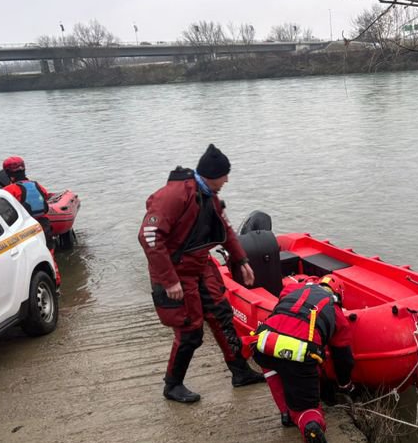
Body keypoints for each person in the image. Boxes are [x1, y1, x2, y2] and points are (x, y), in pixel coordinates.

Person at [138, 143, 264, 404]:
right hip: (175, 271)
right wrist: (169, 280)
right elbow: (149, 236)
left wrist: (242, 261)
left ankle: (240, 372)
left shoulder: (211, 197)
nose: (227, 180)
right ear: (211, 174)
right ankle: (172, 385)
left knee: (222, 315)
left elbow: (226, 230)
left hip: (200, 265)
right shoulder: (173, 196)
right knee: (190, 332)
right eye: (224, 175)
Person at [250, 275, 355, 443]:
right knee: (308, 408)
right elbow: (344, 359)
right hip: (300, 354)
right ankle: (310, 425)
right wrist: (345, 385)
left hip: (264, 342)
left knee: (271, 365)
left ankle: (285, 412)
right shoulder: (336, 312)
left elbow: (284, 304)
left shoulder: (293, 289)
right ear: (338, 295)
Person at [1, 156, 61, 286]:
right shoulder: (36, 185)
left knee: (30, 262)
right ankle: (56, 283)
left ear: (8, 174)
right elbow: (45, 195)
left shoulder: (9, 190)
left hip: (26, 228)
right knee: (50, 255)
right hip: (44, 225)